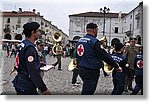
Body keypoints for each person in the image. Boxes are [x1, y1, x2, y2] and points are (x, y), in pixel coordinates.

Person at [76, 23, 122, 95]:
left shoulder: (80, 41)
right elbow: (105, 56)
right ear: (94, 30)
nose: (97, 32)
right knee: (88, 91)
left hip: (81, 68)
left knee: (86, 87)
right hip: (91, 70)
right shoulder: (95, 42)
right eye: (97, 30)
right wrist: (116, 66)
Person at [12, 22, 51, 95]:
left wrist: (38, 64)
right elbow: (32, 72)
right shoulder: (30, 48)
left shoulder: (23, 44)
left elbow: (24, 62)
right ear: (33, 32)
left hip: (21, 81)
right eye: (38, 31)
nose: (39, 33)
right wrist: (43, 88)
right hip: (26, 84)